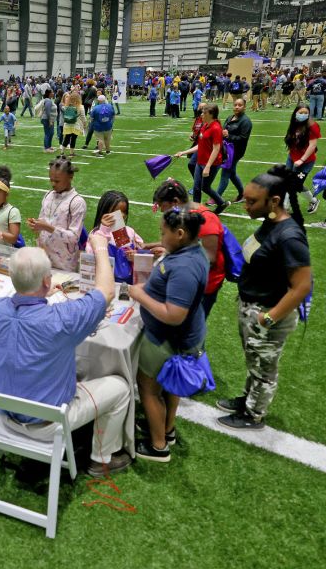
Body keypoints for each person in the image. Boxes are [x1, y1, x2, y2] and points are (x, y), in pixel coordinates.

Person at [0, 235, 133, 477]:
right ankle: (101, 458)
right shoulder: (61, 319)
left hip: (3, 413)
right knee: (121, 387)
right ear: (47, 281)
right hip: (46, 422)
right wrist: (99, 247)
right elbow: (106, 291)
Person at [217, 165, 312, 429]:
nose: (245, 206)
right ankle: (248, 399)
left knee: (264, 368)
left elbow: (301, 286)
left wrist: (269, 318)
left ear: (274, 201)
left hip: (268, 313)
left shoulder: (289, 236)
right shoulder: (270, 224)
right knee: (255, 362)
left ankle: (253, 415)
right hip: (253, 307)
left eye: (251, 201)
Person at [127, 208, 208, 461]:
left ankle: (158, 445)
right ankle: (167, 429)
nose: (161, 238)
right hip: (183, 336)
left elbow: (174, 314)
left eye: (164, 233)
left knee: (149, 389)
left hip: (166, 338)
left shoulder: (184, 266)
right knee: (169, 386)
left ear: (181, 234)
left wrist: (140, 294)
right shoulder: (194, 252)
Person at [151, 179, 225, 316]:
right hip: (190, 279)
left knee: (190, 324)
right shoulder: (184, 214)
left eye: (162, 205)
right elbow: (181, 242)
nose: (161, 210)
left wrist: (169, 254)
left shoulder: (206, 220)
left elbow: (210, 258)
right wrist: (146, 246)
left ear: (175, 202)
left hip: (204, 286)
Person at [27, 157, 87, 272]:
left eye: (57, 181)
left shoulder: (77, 202)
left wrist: (47, 227)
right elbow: (42, 220)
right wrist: (36, 225)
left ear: (70, 177)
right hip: (44, 258)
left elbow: (74, 238)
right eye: (51, 180)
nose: (53, 184)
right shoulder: (48, 195)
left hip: (64, 264)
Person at [84, 190, 144, 283]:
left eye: (124, 211)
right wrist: (104, 230)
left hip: (128, 281)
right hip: (105, 281)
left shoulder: (130, 232)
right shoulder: (96, 234)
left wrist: (136, 254)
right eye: (115, 212)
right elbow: (90, 256)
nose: (121, 216)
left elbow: (142, 250)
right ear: (104, 212)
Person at [175, 103, 226, 212]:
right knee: (197, 187)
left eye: (204, 112)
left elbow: (216, 149)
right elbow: (200, 146)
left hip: (212, 164)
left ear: (211, 114)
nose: (201, 114)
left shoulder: (216, 128)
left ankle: (222, 203)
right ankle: (196, 210)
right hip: (200, 162)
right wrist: (183, 152)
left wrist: (208, 166)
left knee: (205, 187)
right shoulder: (205, 125)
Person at [284, 105, 320, 207]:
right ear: (296, 113)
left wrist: (301, 160)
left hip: (306, 162)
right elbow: (291, 138)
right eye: (301, 112)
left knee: (296, 184)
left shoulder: (313, 126)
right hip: (292, 158)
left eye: (305, 113)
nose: (303, 115)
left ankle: (313, 201)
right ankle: (285, 206)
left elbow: (313, 145)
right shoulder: (294, 123)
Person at [217, 98, 252, 204]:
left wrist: (229, 136)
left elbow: (243, 138)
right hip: (225, 150)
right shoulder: (230, 117)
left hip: (235, 152)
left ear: (244, 107)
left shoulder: (246, 121)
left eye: (240, 105)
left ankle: (216, 197)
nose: (237, 107)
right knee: (232, 173)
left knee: (225, 173)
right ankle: (242, 194)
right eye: (235, 104)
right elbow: (223, 131)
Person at [59, 92, 85, 156]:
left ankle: (62, 151)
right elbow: (83, 116)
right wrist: (84, 123)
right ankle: (71, 152)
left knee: (66, 138)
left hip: (67, 124)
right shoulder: (80, 107)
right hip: (76, 125)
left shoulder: (66, 106)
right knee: (73, 139)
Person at [39, 88, 57, 153]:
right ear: (49, 94)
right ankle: (46, 148)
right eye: (52, 92)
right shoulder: (48, 101)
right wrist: (50, 120)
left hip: (49, 119)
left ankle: (49, 146)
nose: (53, 93)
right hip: (47, 119)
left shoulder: (49, 100)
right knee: (48, 133)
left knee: (51, 133)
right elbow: (48, 111)